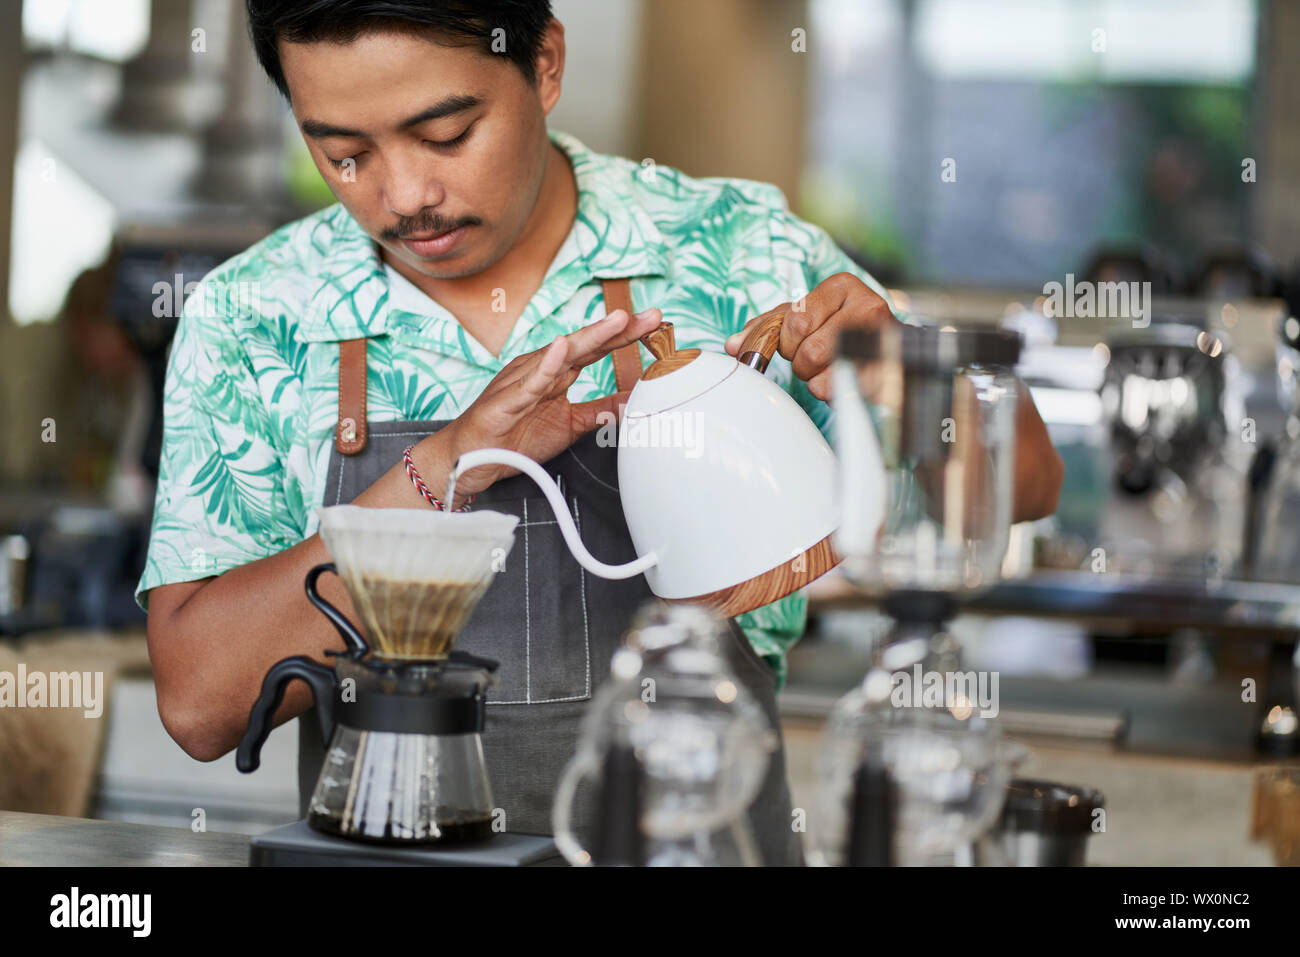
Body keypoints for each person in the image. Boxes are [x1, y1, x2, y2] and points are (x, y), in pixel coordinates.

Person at [139, 0, 1063, 865]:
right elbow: (200, 704)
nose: (406, 195)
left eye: (446, 134)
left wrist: (899, 373)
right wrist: (447, 467)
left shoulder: (736, 252)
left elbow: (1025, 480)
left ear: (542, 63)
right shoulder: (255, 314)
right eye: (344, 153)